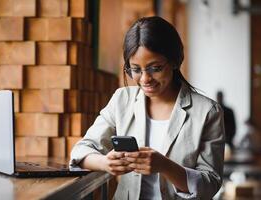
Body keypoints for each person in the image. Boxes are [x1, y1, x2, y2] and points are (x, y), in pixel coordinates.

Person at [70, 16, 225, 199]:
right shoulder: (122, 100)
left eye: (155, 68)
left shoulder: (207, 112)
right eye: (136, 69)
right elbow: (81, 151)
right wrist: (105, 163)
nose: (145, 79)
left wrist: (165, 166)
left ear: (175, 61)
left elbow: (211, 183)